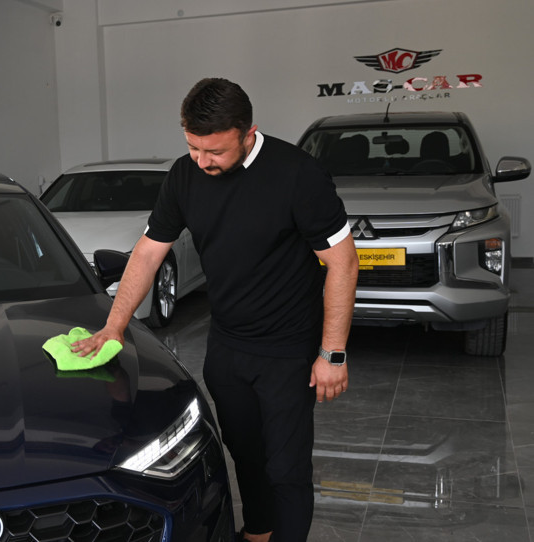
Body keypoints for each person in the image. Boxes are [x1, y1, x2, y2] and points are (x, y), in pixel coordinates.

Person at [72, 77, 359, 542]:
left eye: (216, 151)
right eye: (193, 147)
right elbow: (148, 251)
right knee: (243, 451)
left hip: (288, 349)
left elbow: (343, 263)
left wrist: (333, 353)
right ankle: (259, 532)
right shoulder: (184, 175)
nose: (203, 161)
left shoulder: (297, 174)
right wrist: (114, 327)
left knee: (286, 468)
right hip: (227, 344)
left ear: (248, 133)